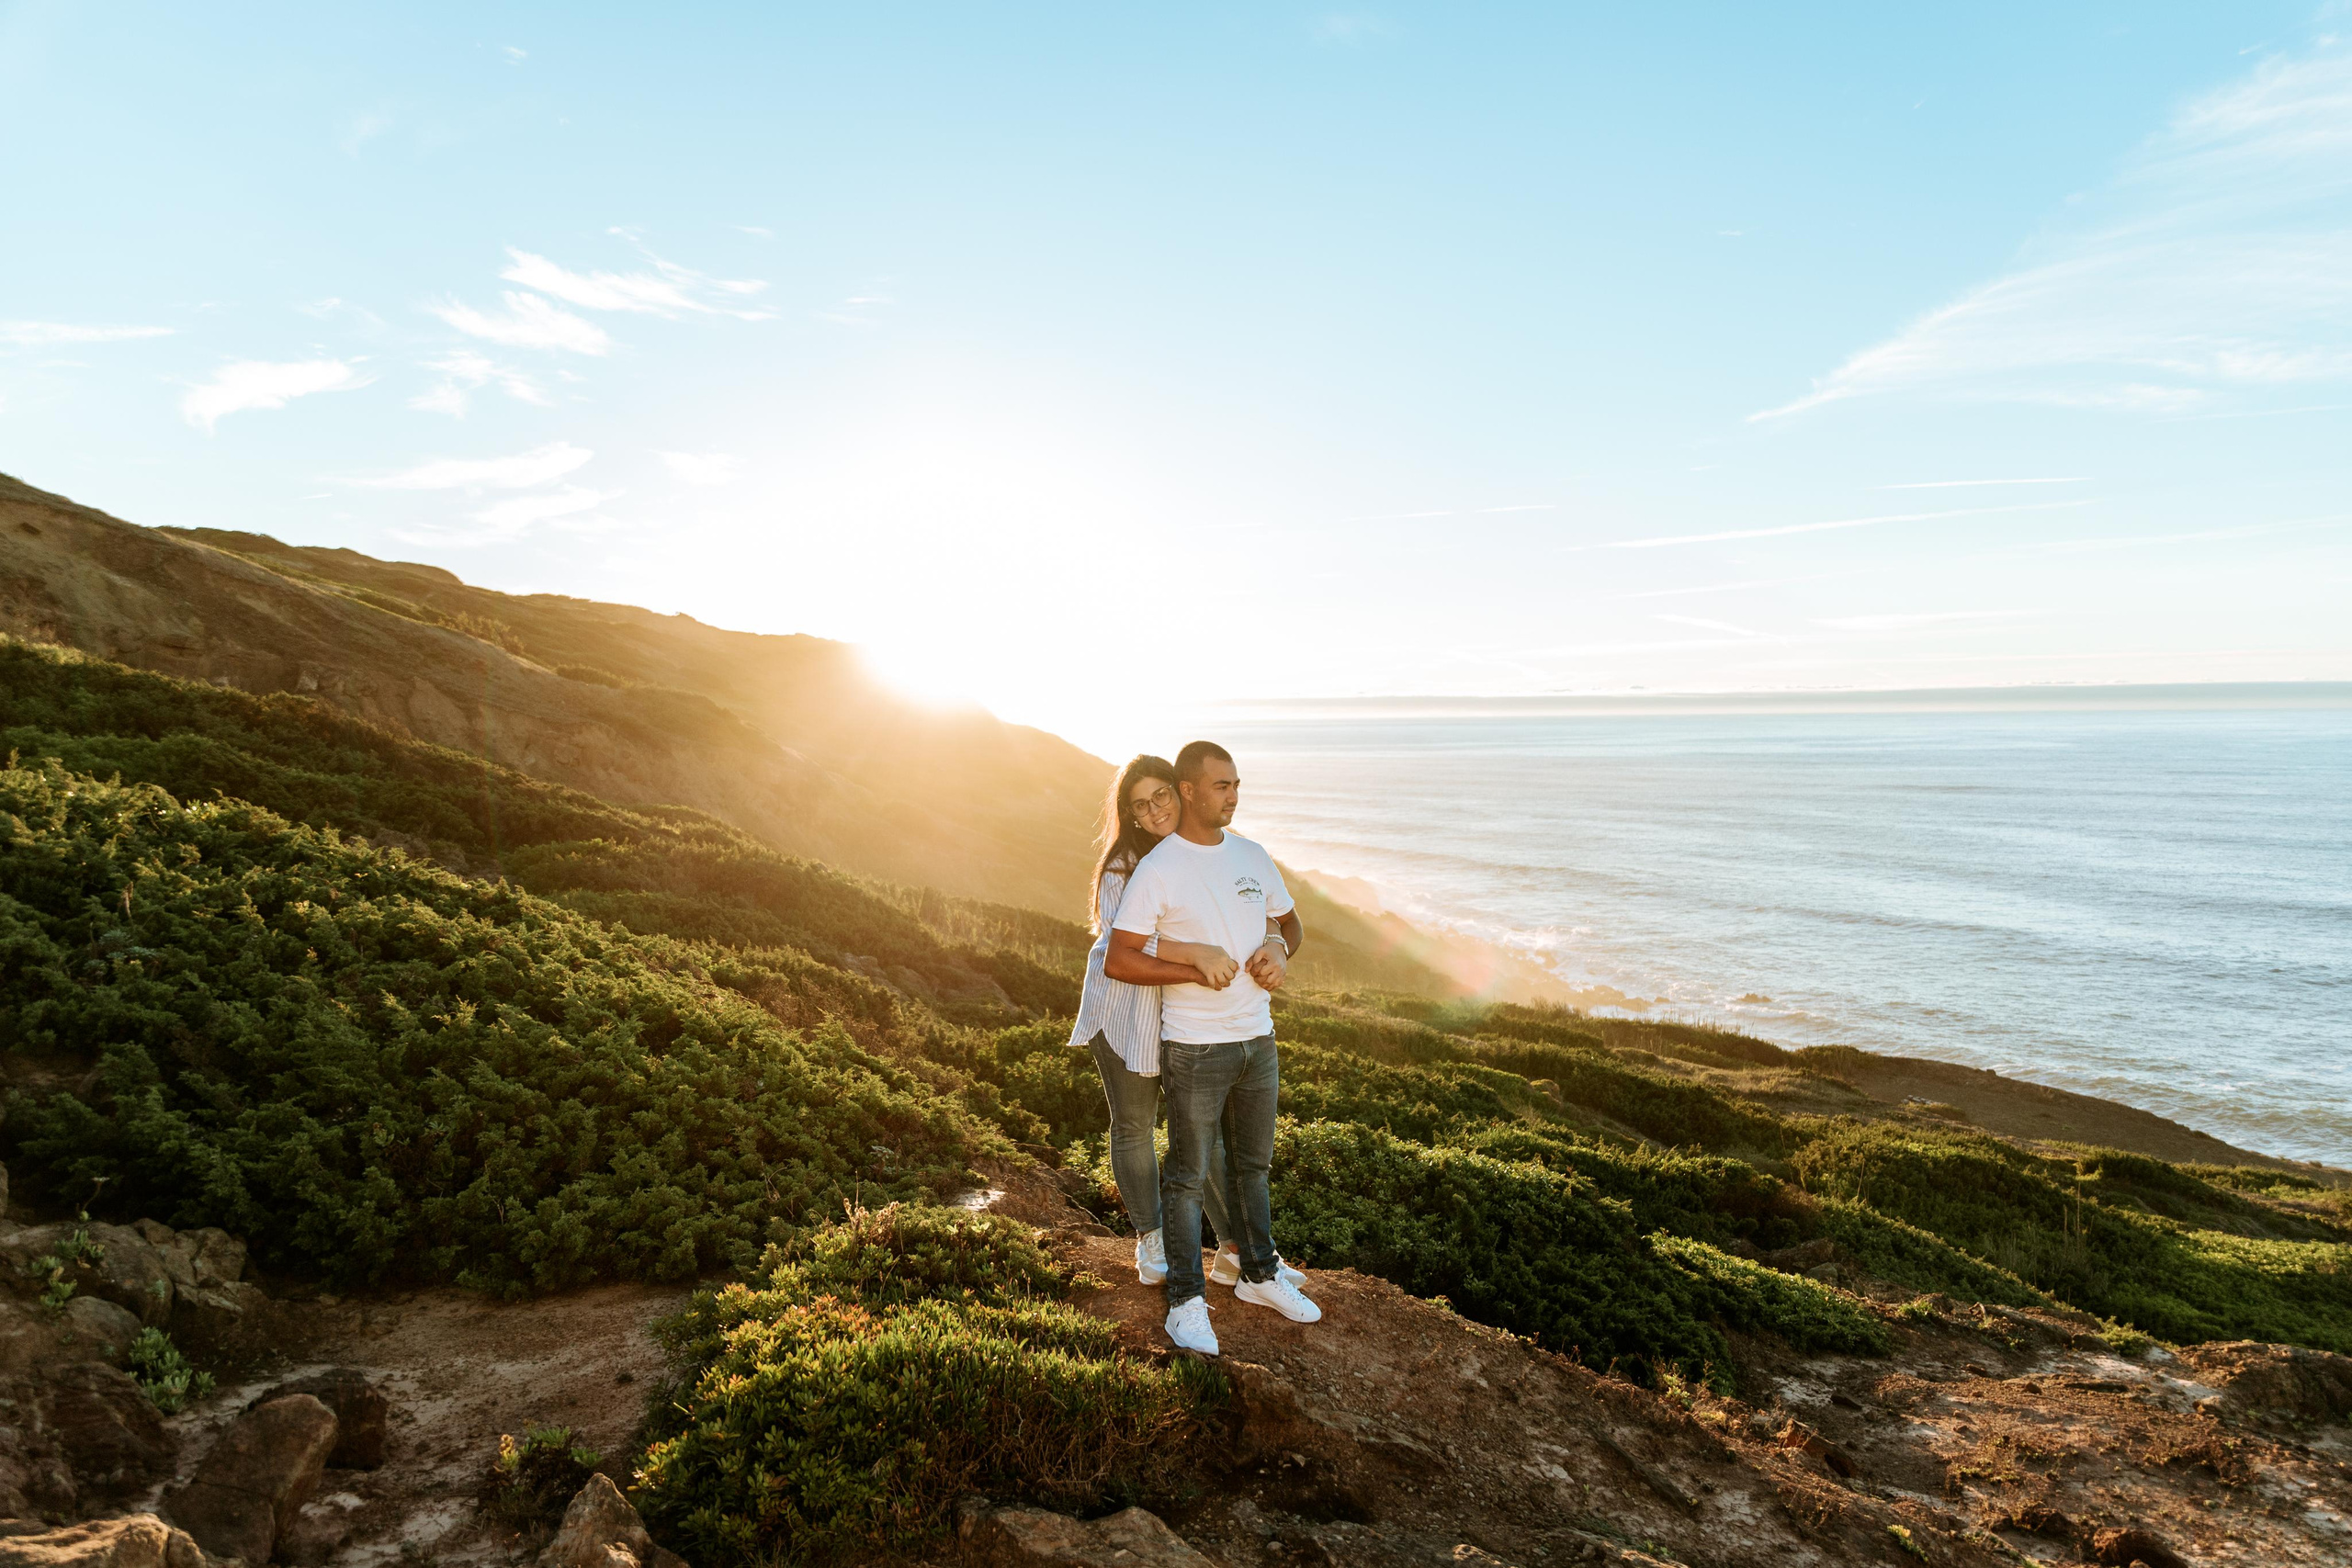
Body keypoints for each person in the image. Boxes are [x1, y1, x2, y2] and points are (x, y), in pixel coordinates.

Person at [1106, 739, 1317, 1356]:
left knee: (1252, 1167)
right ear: (1192, 790)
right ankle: (1186, 1303)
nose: (1233, 794)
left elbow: (1291, 922)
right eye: (1222, 784)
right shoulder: (1159, 867)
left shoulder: (1251, 854)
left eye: (1237, 783)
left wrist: (1280, 949)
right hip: (1196, 1045)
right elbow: (1120, 956)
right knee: (1188, 1177)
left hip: (1258, 1037)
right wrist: (1192, 968)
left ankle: (1258, 1274)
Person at [1070, 755, 1257, 1285]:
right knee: (1134, 1128)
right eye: (1140, 804)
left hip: (1186, 1018)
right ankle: (1151, 1242)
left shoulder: (1204, 856)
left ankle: (1234, 1249)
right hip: (1124, 1014)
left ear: (1182, 793)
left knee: (1205, 1138)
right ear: (1128, 815)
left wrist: (1269, 941)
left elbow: (1244, 914)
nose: (1154, 810)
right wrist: (1196, 952)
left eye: (1162, 797)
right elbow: (1122, 945)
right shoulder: (1120, 870)